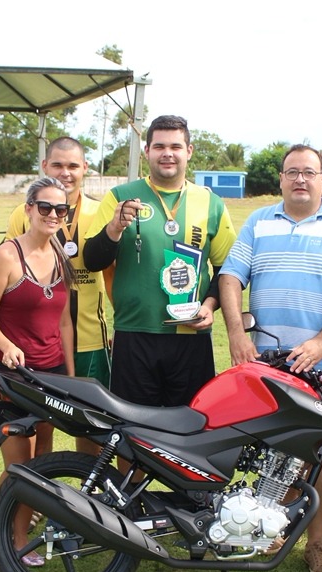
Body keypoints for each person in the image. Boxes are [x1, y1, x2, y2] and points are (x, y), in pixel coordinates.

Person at [220, 144, 322, 572]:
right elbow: (231, 277)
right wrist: (235, 333)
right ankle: (265, 528)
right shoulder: (259, 221)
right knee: (265, 449)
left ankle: (317, 544)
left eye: (309, 172)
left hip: (319, 362)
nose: (300, 179)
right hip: (266, 361)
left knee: (315, 455)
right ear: (281, 179)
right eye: (292, 172)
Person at [83, 114, 236, 407]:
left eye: (176, 147)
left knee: (191, 427)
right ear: (147, 152)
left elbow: (227, 271)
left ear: (188, 151)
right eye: (159, 146)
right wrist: (114, 229)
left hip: (190, 335)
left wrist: (209, 305)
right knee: (132, 430)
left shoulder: (210, 202)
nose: (168, 153)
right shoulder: (120, 197)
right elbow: (92, 260)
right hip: (135, 333)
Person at [0, 176, 75, 566]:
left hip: (50, 375)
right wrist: (8, 345)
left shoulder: (60, 255)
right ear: (29, 208)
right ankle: (12, 538)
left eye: (60, 209)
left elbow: (64, 323)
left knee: (44, 460)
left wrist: (69, 373)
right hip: (9, 378)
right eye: (45, 207)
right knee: (20, 466)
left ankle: (27, 522)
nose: (52, 215)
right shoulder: (6, 257)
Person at [8, 137, 110, 455]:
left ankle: (89, 499)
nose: (65, 173)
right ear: (44, 166)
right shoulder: (21, 214)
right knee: (37, 428)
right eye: (58, 165)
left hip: (91, 341)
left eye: (73, 166)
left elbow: (113, 273)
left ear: (85, 169)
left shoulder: (100, 210)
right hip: (37, 346)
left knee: (93, 428)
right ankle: (34, 502)